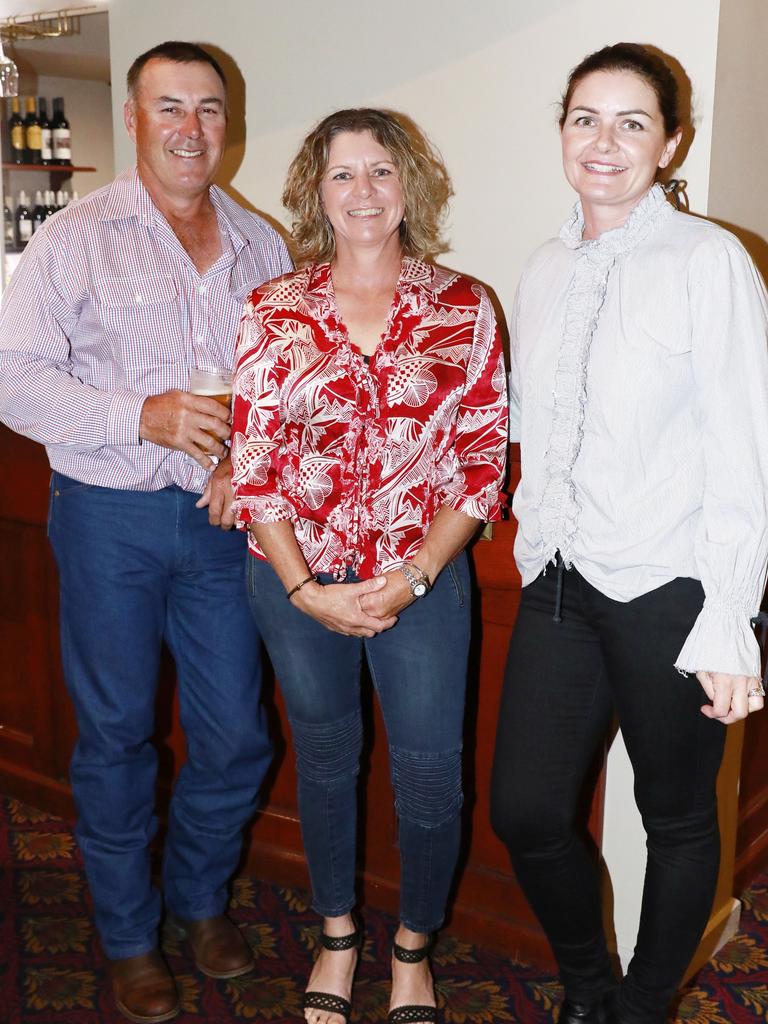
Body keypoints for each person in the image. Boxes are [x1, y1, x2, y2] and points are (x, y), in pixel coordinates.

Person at [0, 41, 292, 1024]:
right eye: (171, 107)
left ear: (227, 121)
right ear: (134, 119)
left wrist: (237, 460)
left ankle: (196, 896)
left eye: (208, 109)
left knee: (239, 739)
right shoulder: (76, 237)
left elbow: (280, 393)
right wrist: (144, 416)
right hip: (108, 519)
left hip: (220, 526)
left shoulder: (263, 245)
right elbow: (14, 379)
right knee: (118, 735)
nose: (191, 129)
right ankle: (130, 936)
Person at [490, 42, 768, 1024]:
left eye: (632, 122)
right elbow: (533, 425)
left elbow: (746, 441)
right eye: (584, 119)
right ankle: (589, 985)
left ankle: (643, 1007)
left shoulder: (708, 261)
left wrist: (731, 614)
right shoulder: (546, 265)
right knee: (523, 811)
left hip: (671, 589)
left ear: (671, 141)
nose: (603, 142)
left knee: (679, 818)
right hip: (560, 577)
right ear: (562, 132)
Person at [230, 108, 507, 1024]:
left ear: (409, 186)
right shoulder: (273, 309)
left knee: (431, 775)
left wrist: (415, 576)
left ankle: (414, 950)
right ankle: (339, 937)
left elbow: (481, 468)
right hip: (294, 581)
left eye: (380, 171)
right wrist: (307, 587)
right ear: (317, 192)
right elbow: (257, 467)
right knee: (326, 758)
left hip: (420, 584)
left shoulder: (463, 307)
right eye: (342, 174)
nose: (362, 191)